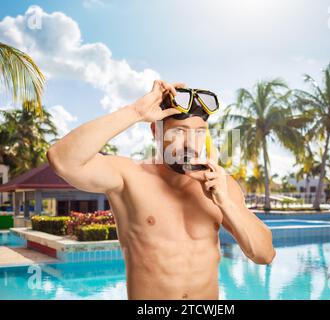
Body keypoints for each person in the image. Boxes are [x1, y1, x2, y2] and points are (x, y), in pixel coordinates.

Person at [47, 79, 276, 300]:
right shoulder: (128, 177)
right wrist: (135, 112)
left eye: (199, 132)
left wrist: (225, 202)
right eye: (179, 132)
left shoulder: (220, 185)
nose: (190, 142)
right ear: (156, 133)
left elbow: (265, 254)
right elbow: (62, 160)